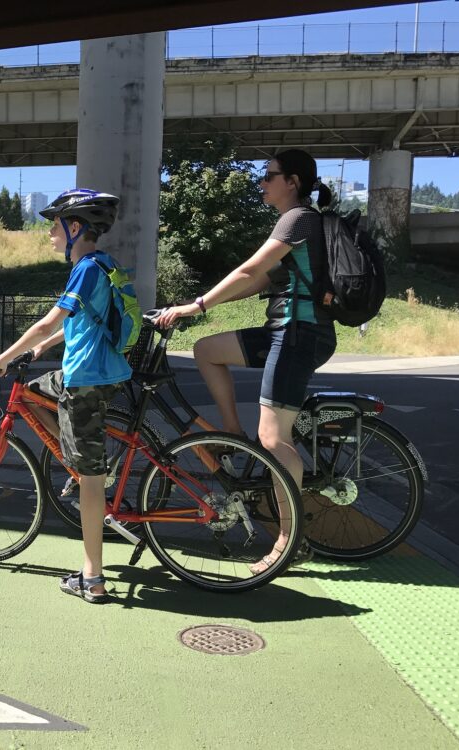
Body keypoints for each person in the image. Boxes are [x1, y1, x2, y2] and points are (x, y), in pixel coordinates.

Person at [157, 149, 336, 574]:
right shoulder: (292, 223)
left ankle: (291, 542)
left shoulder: (299, 219)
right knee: (207, 351)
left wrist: (196, 306)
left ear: (292, 181)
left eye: (268, 176)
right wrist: (195, 309)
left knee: (274, 439)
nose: (261, 182)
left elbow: (247, 269)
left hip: (300, 334)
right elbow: (256, 281)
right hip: (282, 331)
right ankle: (234, 435)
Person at [0, 189, 131, 604]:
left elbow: (50, 321)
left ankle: (93, 578)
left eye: (54, 226)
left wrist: (2, 357)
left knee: (90, 480)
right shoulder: (105, 265)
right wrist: (41, 351)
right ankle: (79, 461)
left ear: (75, 227)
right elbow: (84, 322)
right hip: (100, 371)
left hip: (85, 379)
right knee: (31, 392)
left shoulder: (85, 267)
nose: (50, 234)